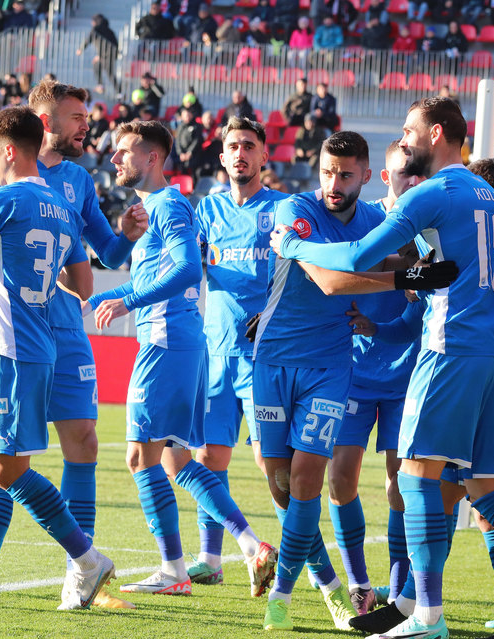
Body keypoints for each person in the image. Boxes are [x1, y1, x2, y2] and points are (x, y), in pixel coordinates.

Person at [270, 97, 494, 639]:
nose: (406, 137)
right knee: (488, 488)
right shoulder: (484, 191)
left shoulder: (434, 190)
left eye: (411, 130)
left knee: (414, 479)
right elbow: (430, 260)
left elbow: (358, 255)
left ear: (436, 133)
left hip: (449, 348)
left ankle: (427, 616)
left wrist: (295, 244)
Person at [0, 81, 148, 611]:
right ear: (43, 124)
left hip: (61, 331)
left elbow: (104, 254)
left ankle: (81, 574)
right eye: (76, 118)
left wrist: (124, 234)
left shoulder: (75, 180)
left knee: (78, 444)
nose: (85, 127)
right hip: (14, 329)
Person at [257, 131, 458, 632]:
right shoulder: (294, 212)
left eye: (345, 174)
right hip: (273, 358)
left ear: (366, 177)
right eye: (327, 171)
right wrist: (409, 278)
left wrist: (417, 267)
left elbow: (396, 258)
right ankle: (328, 583)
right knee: (281, 484)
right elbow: (328, 279)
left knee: (309, 479)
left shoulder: (374, 219)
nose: (334, 182)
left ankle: (283, 596)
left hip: (330, 364)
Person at [85, 120, 278, 599]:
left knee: (139, 456)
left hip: (167, 340)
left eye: (124, 151)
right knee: (176, 460)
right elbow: (159, 271)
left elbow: (189, 268)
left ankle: (174, 569)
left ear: (152, 158)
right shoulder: (157, 206)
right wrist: (109, 296)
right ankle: (250, 544)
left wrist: (126, 302)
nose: (115, 159)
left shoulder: (168, 204)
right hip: (186, 340)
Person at [188, 117, 290, 588]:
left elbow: (299, 275)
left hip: (264, 357)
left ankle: (292, 556)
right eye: (233, 146)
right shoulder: (205, 210)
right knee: (208, 457)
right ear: (223, 157)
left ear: (265, 156)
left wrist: (270, 314)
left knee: (271, 463)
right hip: (215, 352)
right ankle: (211, 559)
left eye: (250, 145)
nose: (241, 153)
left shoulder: (284, 209)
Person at [327, 139, 425, 617]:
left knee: (398, 486)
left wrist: (411, 296)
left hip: (406, 376)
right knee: (339, 480)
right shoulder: (360, 220)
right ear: (383, 178)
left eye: (418, 175)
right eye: (403, 174)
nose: (412, 182)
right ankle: (359, 582)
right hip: (354, 375)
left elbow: (426, 310)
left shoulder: (428, 236)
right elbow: (331, 275)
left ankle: (398, 588)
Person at [77, 14, 120, 94]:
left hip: (104, 55)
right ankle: (118, 92)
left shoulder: (95, 30)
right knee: (107, 72)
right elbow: (116, 44)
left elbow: (88, 39)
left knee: (104, 70)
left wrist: (81, 49)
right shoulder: (110, 31)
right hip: (111, 55)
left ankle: (101, 85)